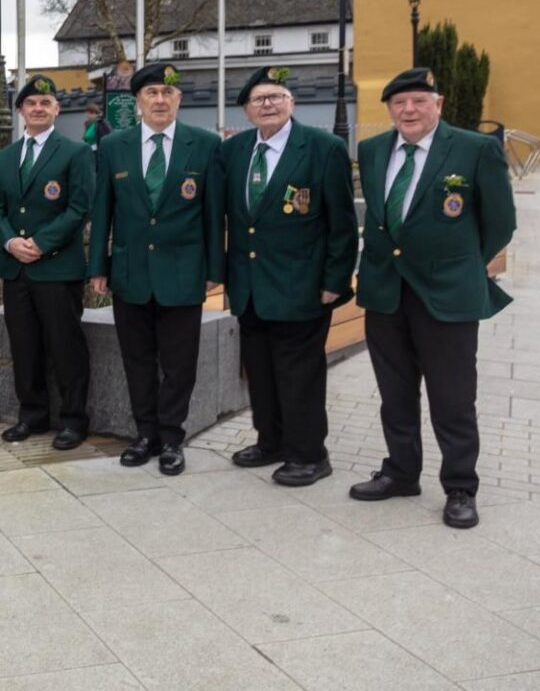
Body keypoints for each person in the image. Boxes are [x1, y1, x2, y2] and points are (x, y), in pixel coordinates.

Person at [350, 67, 516, 529]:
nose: (408, 110)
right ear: (389, 108)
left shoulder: (474, 149)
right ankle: (401, 473)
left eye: (419, 101)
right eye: (399, 103)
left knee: (453, 397)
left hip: (446, 295)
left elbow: (500, 222)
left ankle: (460, 486)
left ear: (438, 104)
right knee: (395, 393)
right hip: (386, 292)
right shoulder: (373, 149)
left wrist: (463, 264)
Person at [213, 65, 357, 486]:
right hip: (250, 287)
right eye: (259, 99)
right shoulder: (234, 151)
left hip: (303, 287)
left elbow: (342, 222)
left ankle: (309, 454)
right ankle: (271, 441)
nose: (268, 104)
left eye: (276, 96)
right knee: (260, 372)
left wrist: (335, 281)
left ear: (291, 103)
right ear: (246, 110)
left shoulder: (323, 148)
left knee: (299, 376)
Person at [89, 63, 222, 475]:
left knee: (180, 365)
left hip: (183, 273)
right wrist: (98, 266)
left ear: (179, 99)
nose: (160, 100)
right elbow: (102, 210)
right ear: (138, 101)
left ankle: (171, 439)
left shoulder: (204, 144)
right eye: (151, 93)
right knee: (137, 360)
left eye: (168, 93)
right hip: (130, 273)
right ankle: (144, 434)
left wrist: (215, 268)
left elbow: (214, 213)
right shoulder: (114, 146)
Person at [0, 75, 96, 450]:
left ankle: (73, 420)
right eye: (31, 103)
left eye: (45, 103)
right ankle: (32, 416)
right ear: (21, 110)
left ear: (57, 109)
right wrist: (10, 241)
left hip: (56, 267)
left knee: (65, 347)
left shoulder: (75, 152)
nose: (38, 108)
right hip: (16, 266)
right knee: (24, 346)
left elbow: (80, 207)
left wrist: (40, 243)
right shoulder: (7, 156)